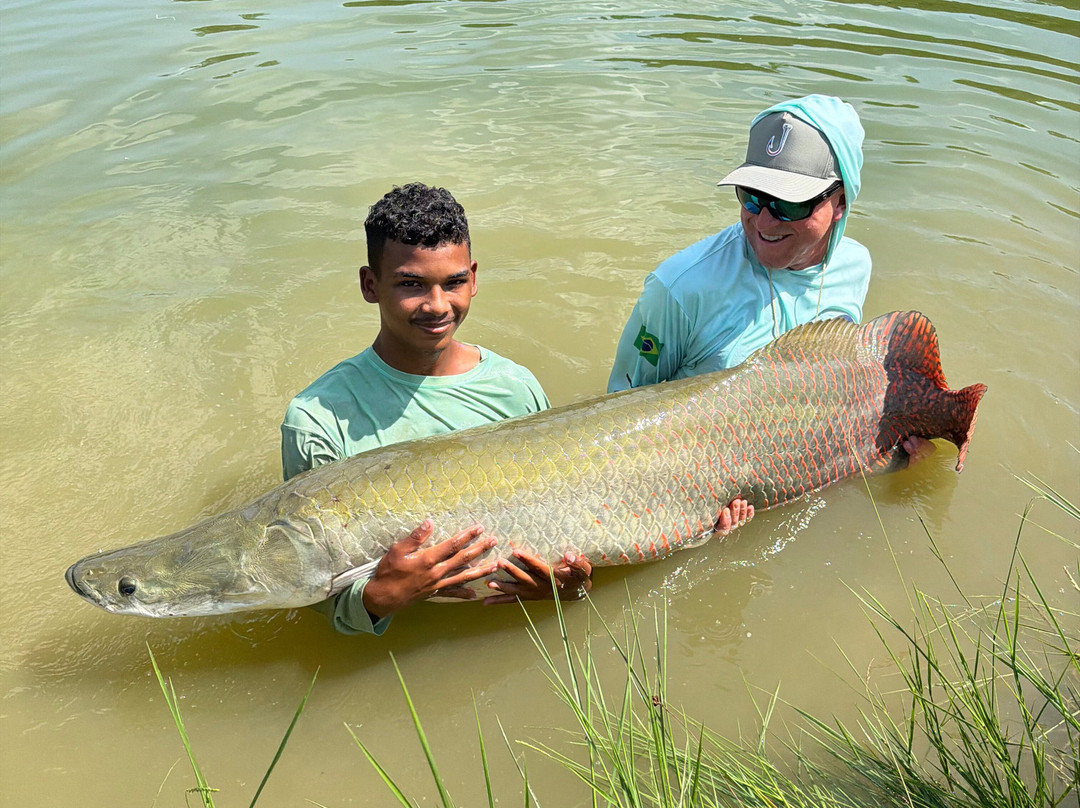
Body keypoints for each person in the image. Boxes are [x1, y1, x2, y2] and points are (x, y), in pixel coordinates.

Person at [281, 182, 592, 635]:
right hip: (403, 647)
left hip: (510, 634)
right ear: (370, 285)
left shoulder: (515, 387)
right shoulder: (317, 420)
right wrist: (378, 599)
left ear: (474, 277)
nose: (437, 306)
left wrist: (568, 586)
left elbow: (566, 513)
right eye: (411, 284)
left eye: (454, 282)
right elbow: (307, 581)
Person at [608, 94, 934, 466]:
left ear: (841, 201)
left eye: (789, 203)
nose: (763, 222)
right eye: (752, 196)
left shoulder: (855, 265)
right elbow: (618, 412)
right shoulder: (678, 289)